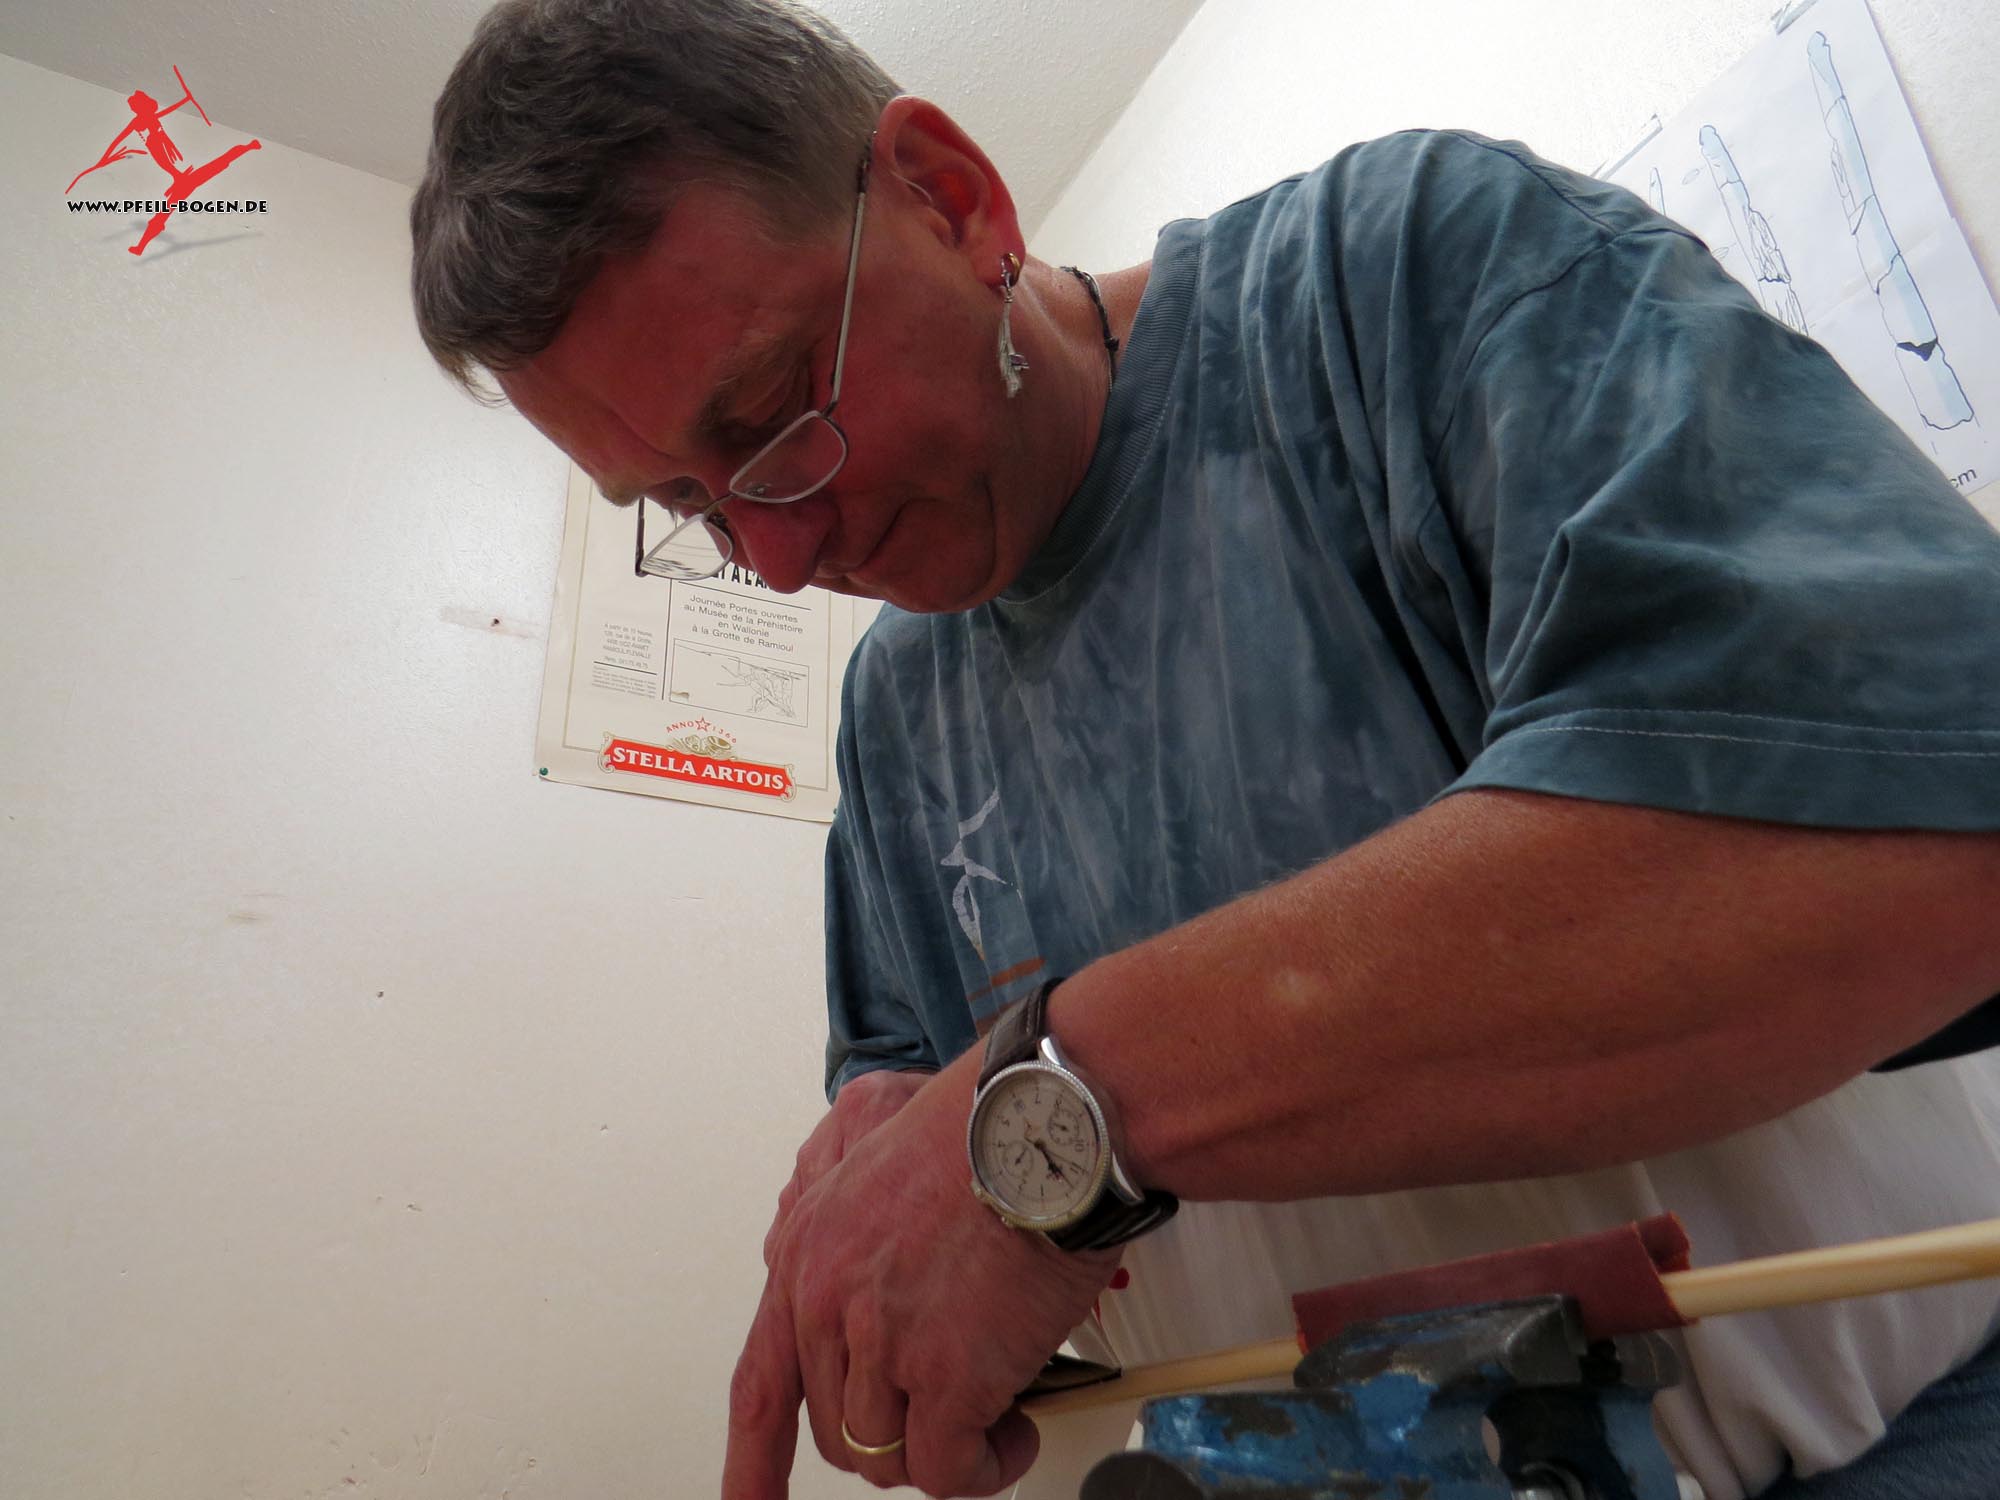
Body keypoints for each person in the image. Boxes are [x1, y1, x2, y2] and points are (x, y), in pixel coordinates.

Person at [410, 3, 2000, 1497]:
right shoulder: (892, 716)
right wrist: (886, 1240)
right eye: (689, 506)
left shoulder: (1400, 283)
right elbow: (944, 1150)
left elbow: (1920, 825)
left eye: (771, 415)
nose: (771, 558)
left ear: (952, 198)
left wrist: (1070, 1103)